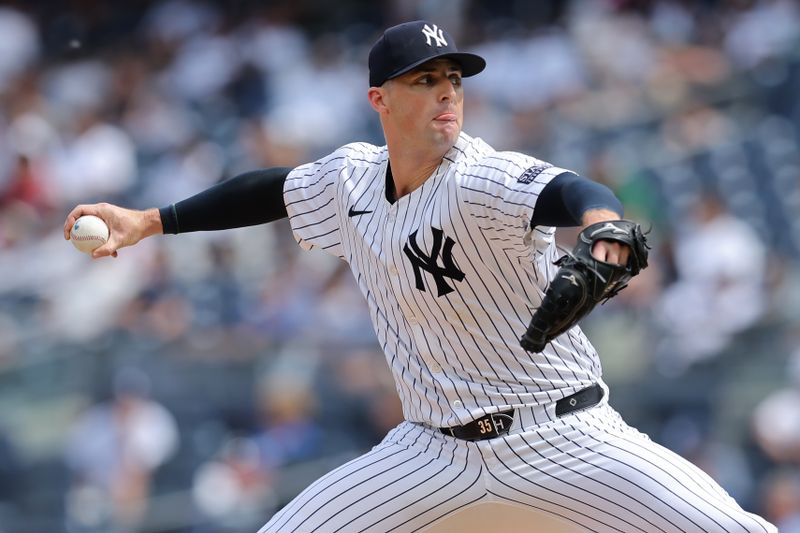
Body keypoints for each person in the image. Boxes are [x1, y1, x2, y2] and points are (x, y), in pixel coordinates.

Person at [65, 20, 775, 533]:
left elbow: (572, 190)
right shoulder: (349, 179)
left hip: (565, 435)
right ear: (380, 99)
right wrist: (149, 220)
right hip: (430, 449)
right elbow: (268, 189)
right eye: (425, 80)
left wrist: (602, 231)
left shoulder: (480, 176)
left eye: (453, 80)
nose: (446, 94)